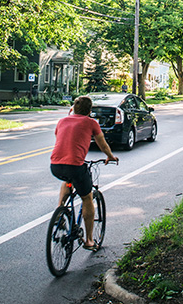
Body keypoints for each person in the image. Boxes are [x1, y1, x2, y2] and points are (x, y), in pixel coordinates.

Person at [50, 96, 118, 251]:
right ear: (89, 111)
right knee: (87, 198)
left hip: (55, 165)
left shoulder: (62, 121)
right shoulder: (91, 123)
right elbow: (102, 143)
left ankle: (60, 210)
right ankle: (88, 240)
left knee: (67, 180)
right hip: (75, 166)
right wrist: (110, 156)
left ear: (73, 108)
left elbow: (62, 140)